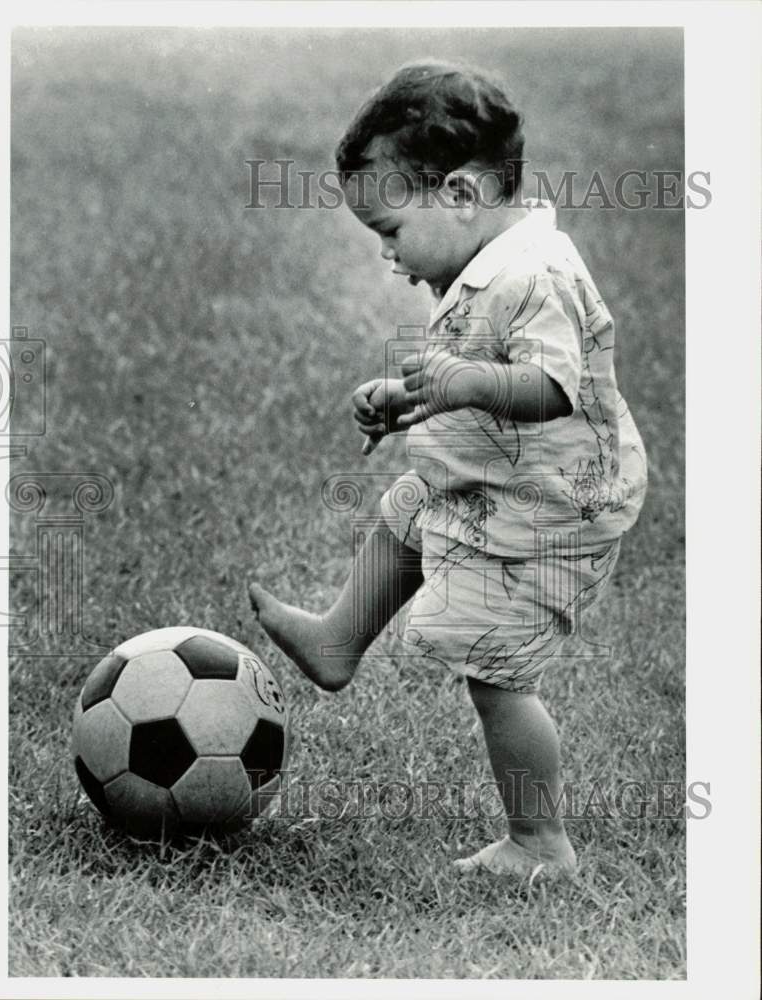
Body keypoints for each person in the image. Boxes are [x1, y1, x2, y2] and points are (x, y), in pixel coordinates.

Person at [249, 61, 647, 875]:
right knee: (408, 505)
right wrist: (408, 397)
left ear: (460, 196)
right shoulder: (485, 263)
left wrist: (464, 383)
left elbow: (549, 386)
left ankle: (541, 842)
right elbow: (475, 365)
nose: (388, 259)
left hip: (556, 504)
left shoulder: (538, 273)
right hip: (504, 475)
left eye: (389, 233)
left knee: (496, 677)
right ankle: (337, 640)